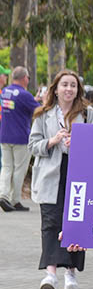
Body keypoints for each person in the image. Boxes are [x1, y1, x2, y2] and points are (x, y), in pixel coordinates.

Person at [29, 70, 93, 289]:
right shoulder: (43, 114)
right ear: (55, 89)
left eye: (73, 85)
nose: (69, 89)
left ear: (78, 90)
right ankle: (50, 274)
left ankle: (71, 270)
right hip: (50, 175)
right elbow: (33, 145)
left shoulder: (88, 114)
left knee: (75, 220)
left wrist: (79, 143)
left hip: (78, 173)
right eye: (64, 85)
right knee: (50, 222)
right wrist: (53, 141)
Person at [0, 65, 40, 212]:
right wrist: (42, 100)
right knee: (19, 169)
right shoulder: (24, 95)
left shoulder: (5, 91)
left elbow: (18, 106)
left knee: (6, 167)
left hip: (4, 135)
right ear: (24, 78)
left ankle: (3, 196)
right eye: (28, 78)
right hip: (21, 137)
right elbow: (39, 110)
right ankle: (15, 199)